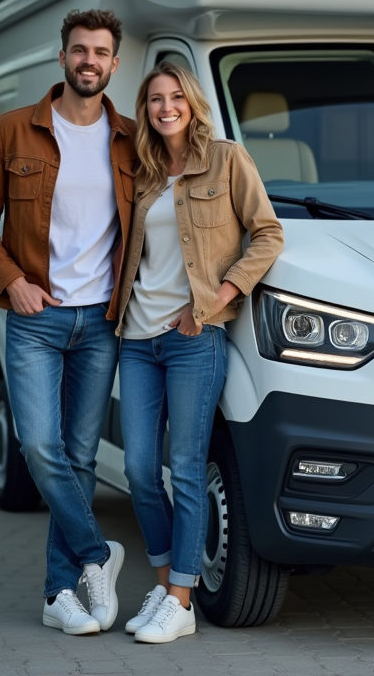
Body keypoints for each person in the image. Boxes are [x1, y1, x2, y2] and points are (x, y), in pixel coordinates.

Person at [0, 9, 136, 635]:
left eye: (101, 52)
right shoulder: (14, 130)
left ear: (115, 64)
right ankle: (99, 554)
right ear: (62, 58)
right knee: (39, 446)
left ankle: (59, 594)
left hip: (101, 320)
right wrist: (11, 281)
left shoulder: (131, 139)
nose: (89, 61)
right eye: (80, 50)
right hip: (37, 318)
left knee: (82, 456)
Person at [113, 61, 284, 644]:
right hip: (136, 341)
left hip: (193, 339)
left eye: (175, 97)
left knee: (184, 470)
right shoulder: (140, 172)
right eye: (155, 99)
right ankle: (167, 588)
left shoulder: (227, 159)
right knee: (139, 470)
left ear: (192, 102)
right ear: (146, 109)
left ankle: (183, 600)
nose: (165, 107)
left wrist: (216, 299)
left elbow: (268, 233)